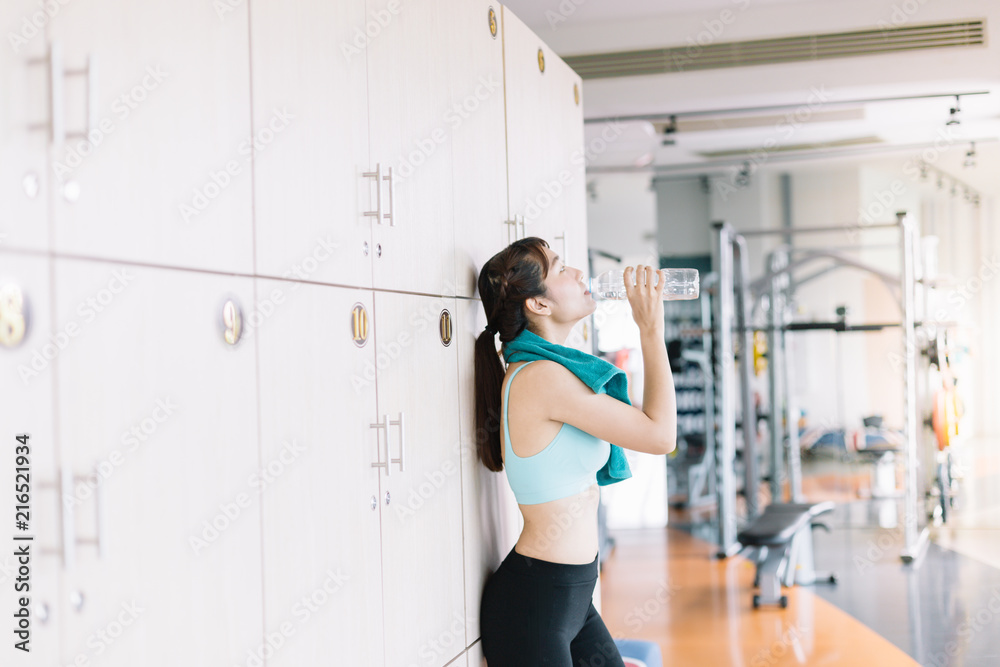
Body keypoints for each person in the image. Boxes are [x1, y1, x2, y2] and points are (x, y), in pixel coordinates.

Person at [475, 237, 677, 666]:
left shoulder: (551, 371)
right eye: (560, 268)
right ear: (539, 304)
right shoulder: (540, 378)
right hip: (533, 606)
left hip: (571, 596)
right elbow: (661, 436)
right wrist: (650, 329)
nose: (578, 275)